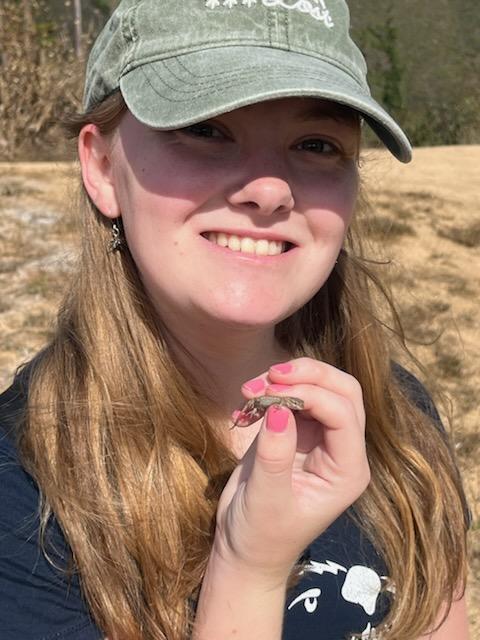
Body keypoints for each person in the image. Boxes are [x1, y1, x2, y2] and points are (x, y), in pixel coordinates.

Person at [0, 1, 471, 638]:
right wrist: (248, 567)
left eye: (316, 143)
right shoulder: (22, 492)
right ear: (103, 167)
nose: (270, 189)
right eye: (206, 129)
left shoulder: (397, 420)